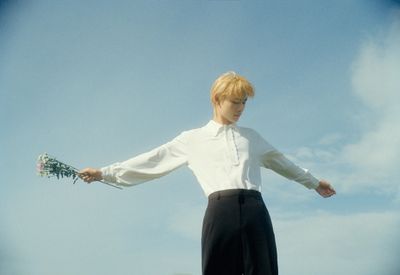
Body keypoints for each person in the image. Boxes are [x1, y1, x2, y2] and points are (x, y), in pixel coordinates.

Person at [78, 71, 336, 275]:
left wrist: (314, 182)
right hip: (219, 211)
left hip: (256, 210)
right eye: (235, 102)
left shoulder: (251, 137)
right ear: (217, 99)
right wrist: (104, 173)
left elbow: (283, 163)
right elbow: (152, 161)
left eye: (244, 103)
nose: (240, 108)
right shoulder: (192, 140)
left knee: (264, 270)